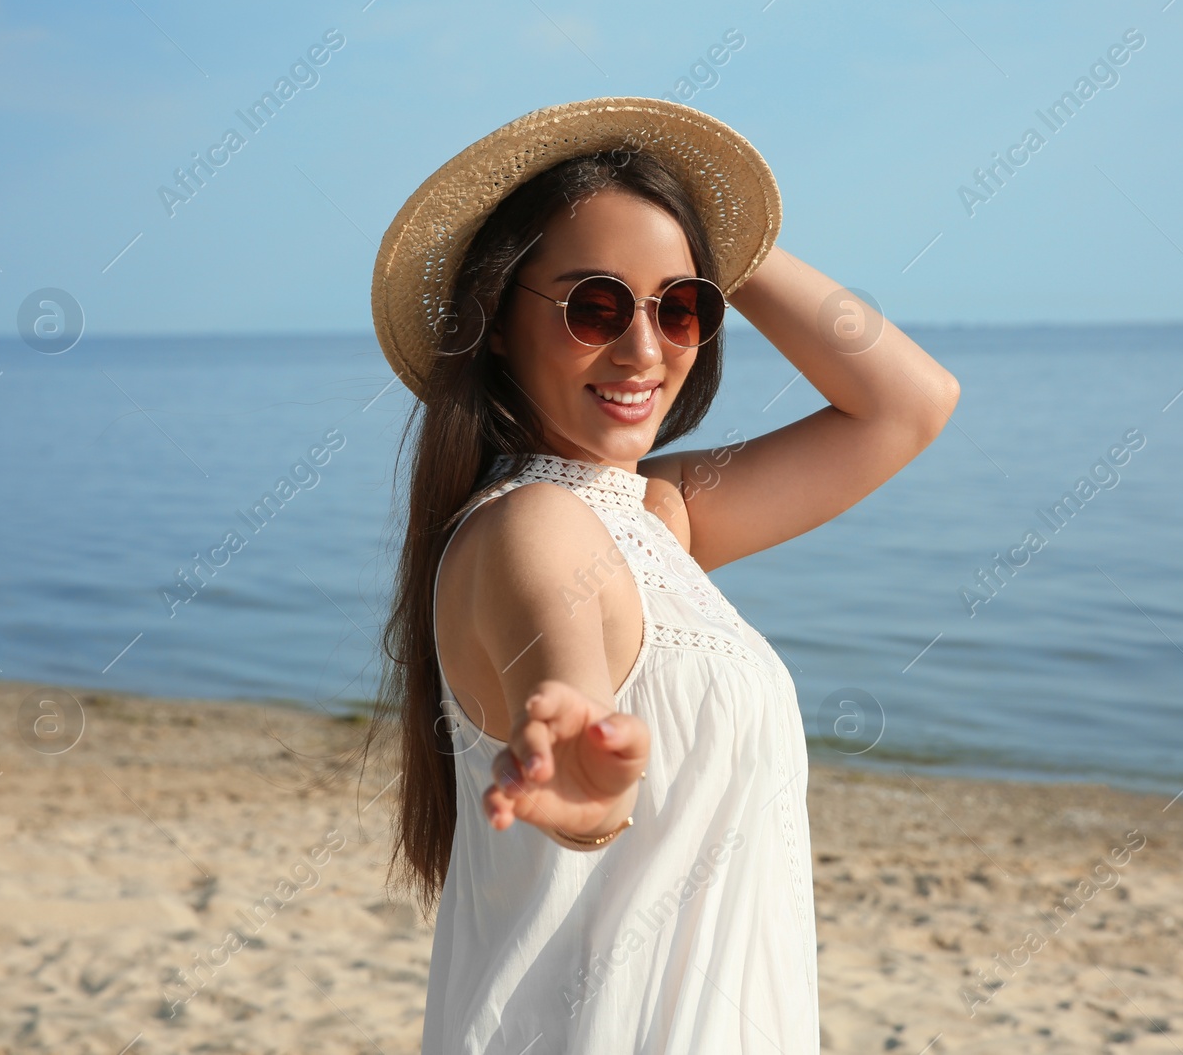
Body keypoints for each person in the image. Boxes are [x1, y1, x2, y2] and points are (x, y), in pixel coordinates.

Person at [358, 96, 960, 1053]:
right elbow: (569, 686)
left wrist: (728, 244)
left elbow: (907, 403)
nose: (644, 348)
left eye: (681, 307)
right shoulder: (535, 525)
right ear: (499, 323)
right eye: (595, 305)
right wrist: (588, 784)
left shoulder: (654, 514)